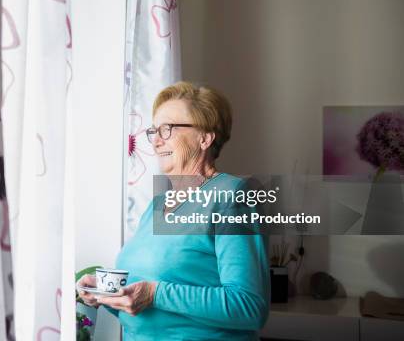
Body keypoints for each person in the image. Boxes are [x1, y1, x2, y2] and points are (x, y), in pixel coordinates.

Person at [77, 81, 270, 340]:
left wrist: (156, 294)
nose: (156, 141)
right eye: (154, 130)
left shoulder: (230, 196)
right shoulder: (157, 206)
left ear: (205, 138)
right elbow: (145, 309)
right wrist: (107, 295)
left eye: (167, 129)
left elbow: (249, 307)